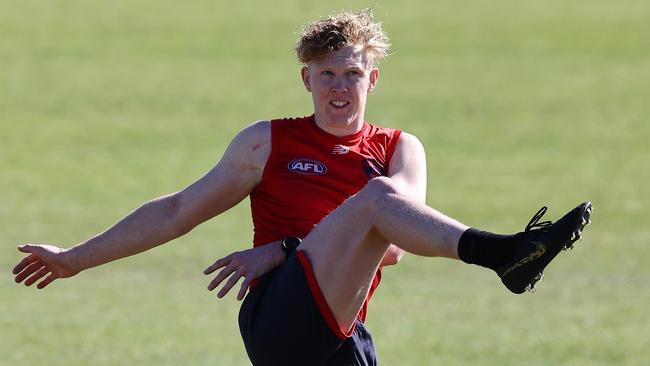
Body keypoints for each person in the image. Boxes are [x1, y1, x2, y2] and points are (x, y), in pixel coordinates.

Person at [12, 9, 592, 366]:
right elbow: (177, 212)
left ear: (374, 78)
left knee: (381, 203)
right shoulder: (266, 143)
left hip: (341, 327)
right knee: (379, 200)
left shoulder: (399, 149)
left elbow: (392, 244)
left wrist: (280, 247)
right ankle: (503, 254)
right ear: (306, 79)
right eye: (327, 75)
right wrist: (74, 260)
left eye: (353, 73)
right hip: (280, 319)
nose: (340, 88)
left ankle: (507, 256)